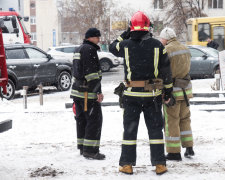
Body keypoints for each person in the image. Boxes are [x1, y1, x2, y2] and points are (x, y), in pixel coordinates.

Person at [109, 11, 173, 175]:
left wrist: (126, 33)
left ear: (132, 28)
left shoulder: (126, 45)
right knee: (155, 130)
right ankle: (160, 164)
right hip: (152, 96)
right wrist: (168, 91)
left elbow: (112, 46)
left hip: (131, 96)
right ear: (148, 27)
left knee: (130, 131)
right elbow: (166, 70)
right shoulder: (158, 45)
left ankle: (127, 164)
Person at [160, 27, 194, 161]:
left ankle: (174, 152)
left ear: (166, 38)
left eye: (161, 38)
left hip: (173, 91)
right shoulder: (185, 48)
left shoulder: (167, 50)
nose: (161, 41)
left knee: (171, 121)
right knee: (185, 119)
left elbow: (164, 71)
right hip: (185, 90)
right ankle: (189, 147)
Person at [70, 28, 105, 160]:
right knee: (94, 120)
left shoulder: (78, 49)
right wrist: (98, 92)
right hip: (87, 93)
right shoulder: (90, 50)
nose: (99, 39)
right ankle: (90, 150)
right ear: (91, 37)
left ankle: (82, 146)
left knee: (81, 120)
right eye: (97, 37)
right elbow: (92, 74)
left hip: (78, 91)